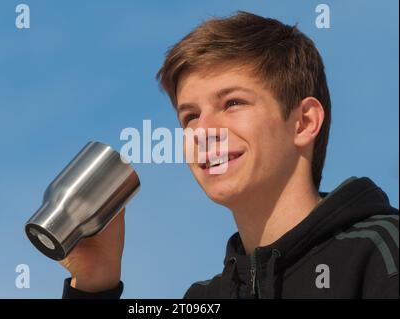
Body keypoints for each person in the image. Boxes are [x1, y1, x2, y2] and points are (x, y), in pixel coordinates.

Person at [60, 11, 399, 299]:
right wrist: (95, 283)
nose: (203, 131)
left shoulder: (381, 254)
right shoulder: (204, 298)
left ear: (303, 122)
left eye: (232, 103)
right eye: (190, 116)